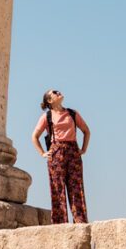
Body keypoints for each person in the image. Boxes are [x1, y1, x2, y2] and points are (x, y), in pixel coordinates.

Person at [32, 89, 90, 225]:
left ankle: (80, 221)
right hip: (56, 152)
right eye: (54, 92)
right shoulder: (47, 116)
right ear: (50, 101)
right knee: (57, 189)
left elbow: (86, 131)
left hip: (73, 151)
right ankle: (60, 224)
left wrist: (83, 149)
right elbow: (34, 137)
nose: (59, 93)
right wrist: (42, 153)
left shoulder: (72, 113)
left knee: (76, 187)